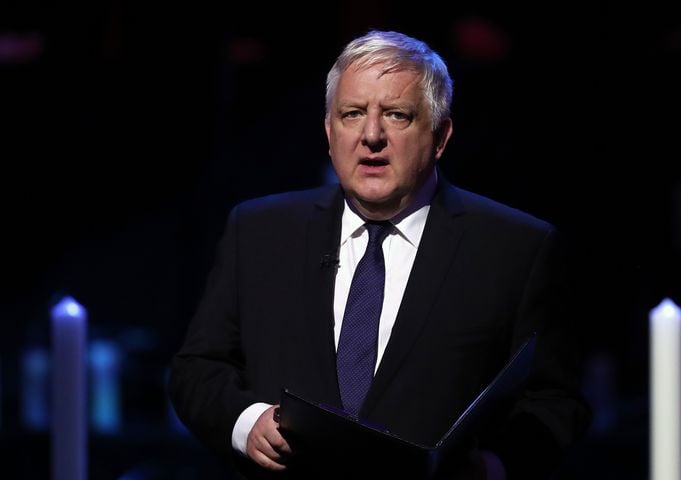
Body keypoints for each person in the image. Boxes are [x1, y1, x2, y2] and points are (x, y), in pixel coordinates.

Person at [168, 30, 590, 479]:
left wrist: (494, 466)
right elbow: (197, 369)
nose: (371, 135)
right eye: (352, 114)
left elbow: (554, 401)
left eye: (397, 115)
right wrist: (246, 423)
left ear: (440, 136)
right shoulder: (258, 231)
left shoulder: (515, 248)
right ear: (329, 132)